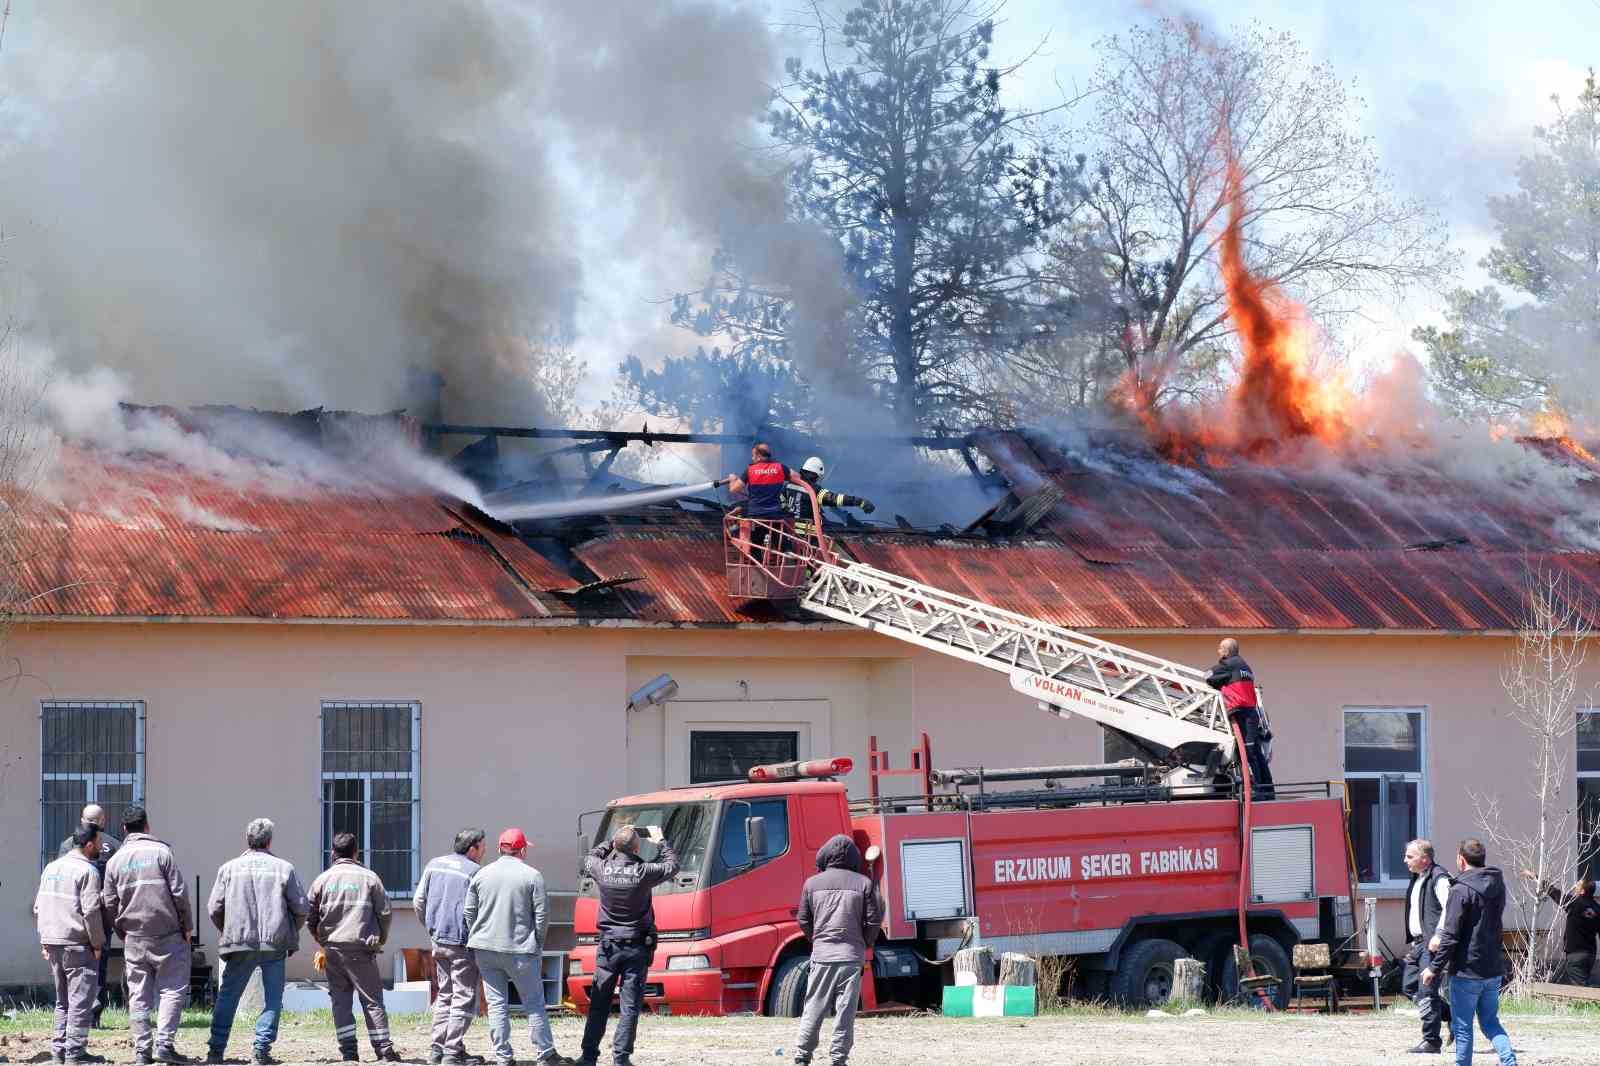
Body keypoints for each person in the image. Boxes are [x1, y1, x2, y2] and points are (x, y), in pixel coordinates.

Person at [463, 828, 573, 1066]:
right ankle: (545, 1054)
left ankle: (503, 1057)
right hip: (521, 949)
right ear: (522, 850)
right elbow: (543, 916)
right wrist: (538, 945)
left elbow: (469, 911)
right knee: (533, 1003)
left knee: (496, 1004)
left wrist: (478, 935)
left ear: (499, 848)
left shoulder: (481, 874)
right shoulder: (532, 875)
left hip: (485, 949)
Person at [206, 818, 310, 1066]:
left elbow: (213, 907)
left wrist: (228, 930)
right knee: (273, 998)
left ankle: (216, 1051)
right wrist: (290, 932)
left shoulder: (228, 868)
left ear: (247, 839)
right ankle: (261, 1050)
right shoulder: (284, 868)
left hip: (239, 943)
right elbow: (302, 907)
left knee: (228, 997)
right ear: (270, 841)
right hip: (275, 944)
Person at [579, 825, 680, 1066]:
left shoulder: (602, 869)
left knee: (600, 1003)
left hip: (608, 947)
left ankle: (589, 1056)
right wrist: (660, 841)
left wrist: (611, 839)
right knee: (629, 1005)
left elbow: (590, 857)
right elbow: (672, 865)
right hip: (636, 947)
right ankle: (621, 1058)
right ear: (637, 848)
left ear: (615, 846)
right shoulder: (643, 871)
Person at [101, 806, 194, 1065]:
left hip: (134, 936)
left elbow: (108, 902)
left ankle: (143, 1051)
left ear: (123, 830)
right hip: (168, 933)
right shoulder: (162, 853)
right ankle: (165, 1045)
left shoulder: (114, 861)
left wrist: (122, 930)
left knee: (138, 993)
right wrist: (187, 926)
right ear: (147, 826)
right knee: (172, 989)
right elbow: (179, 894)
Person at [307, 833, 399, 1063]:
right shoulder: (370, 878)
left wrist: (322, 942)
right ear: (357, 853)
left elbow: (309, 916)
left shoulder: (322, 880)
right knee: (372, 1001)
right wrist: (380, 939)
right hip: (361, 949)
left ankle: (349, 1053)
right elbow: (385, 913)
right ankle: (384, 1052)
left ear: (332, 854)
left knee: (340, 1000)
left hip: (333, 950)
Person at [1423, 839, 1517, 1066]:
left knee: (1462, 1027)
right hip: (1492, 967)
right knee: (1490, 1022)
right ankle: (1509, 1061)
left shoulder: (1460, 890)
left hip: (1466, 970)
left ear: (1461, 859)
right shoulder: (1498, 885)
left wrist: (1433, 968)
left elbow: (1451, 935)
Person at [792, 835, 882, 1066]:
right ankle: (838, 1059)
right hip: (851, 957)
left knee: (813, 1007)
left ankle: (802, 1057)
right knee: (845, 1011)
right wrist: (864, 943)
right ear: (853, 857)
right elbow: (873, 921)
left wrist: (817, 939)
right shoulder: (864, 883)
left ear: (825, 855)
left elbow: (803, 919)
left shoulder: (811, 884)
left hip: (822, 955)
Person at [37, 823, 109, 1065]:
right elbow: (90, 912)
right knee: (81, 1001)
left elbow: (41, 906)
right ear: (89, 845)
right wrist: (98, 943)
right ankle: (75, 1053)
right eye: (98, 842)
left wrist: (44, 940)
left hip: (53, 942)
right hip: (78, 945)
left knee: (63, 1001)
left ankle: (59, 1052)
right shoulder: (88, 871)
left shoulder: (50, 868)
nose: (101, 846)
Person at [415, 828, 488, 1065]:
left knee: (445, 994)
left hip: (439, 941)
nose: (484, 851)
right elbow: (480, 910)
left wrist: (431, 928)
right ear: (472, 849)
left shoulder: (434, 864)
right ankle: (452, 1052)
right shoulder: (475, 872)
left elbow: (419, 901)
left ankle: (437, 1049)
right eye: (482, 847)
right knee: (464, 997)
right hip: (461, 943)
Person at [59, 804, 120, 1028]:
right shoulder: (114, 845)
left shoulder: (67, 844)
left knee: (69, 966)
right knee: (97, 966)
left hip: (71, 915)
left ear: (82, 820)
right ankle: (93, 1016)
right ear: (103, 821)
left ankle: (68, 1015)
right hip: (101, 916)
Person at [1399, 839, 1453, 1054]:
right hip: (1418, 944)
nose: (1405, 861)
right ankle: (1451, 1015)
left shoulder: (1439, 877)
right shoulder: (1419, 877)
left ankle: (1431, 1041)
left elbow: (1451, 907)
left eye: (1409, 857)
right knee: (1409, 987)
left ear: (1425, 858)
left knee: (1427, 990)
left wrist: (1440, 935)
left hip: (1432, 944)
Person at [1204, 638, 1275, 800]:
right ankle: (1267, 790)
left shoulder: (1229, 664)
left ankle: (1257, 790)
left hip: (1242, 715)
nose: (1218, 652)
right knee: (1256, 753)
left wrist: (1218, 683)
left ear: (1227, 651)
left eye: (1220, 649)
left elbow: (1208, 675)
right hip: (1250, 714)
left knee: (1249, 754)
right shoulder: (1245, 666)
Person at [725, 442, 808, 558]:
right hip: (775, 515)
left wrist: (732, 478)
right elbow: (797, 477)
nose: (752, 458)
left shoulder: (750, 470)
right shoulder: (780, 467)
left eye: (753, 456)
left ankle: (755, 558)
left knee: (747, 537)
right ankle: (786, 549)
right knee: (777, 531)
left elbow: (733, 489)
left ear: (758, 456)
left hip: (756, 516)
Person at [1520, 868, 1599, 986]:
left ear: (1582, 891)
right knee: (1584, 983)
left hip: (1576, 953)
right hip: (1590, 954)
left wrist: (1534, 876)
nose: (1574, 889)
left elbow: (1553, 891)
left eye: (1577, 887)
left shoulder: (1574, 903)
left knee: (1580, 989)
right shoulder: (1597, 909)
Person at [780, 457, 876, 532]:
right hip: (808, 531)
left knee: (830, 523)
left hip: (790, 527)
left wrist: (788, 512)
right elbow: (835, 499)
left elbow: (781, 500)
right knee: (840, 529)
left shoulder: (789, 484)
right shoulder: (814, 489)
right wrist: (860, 502)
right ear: (817, 474)